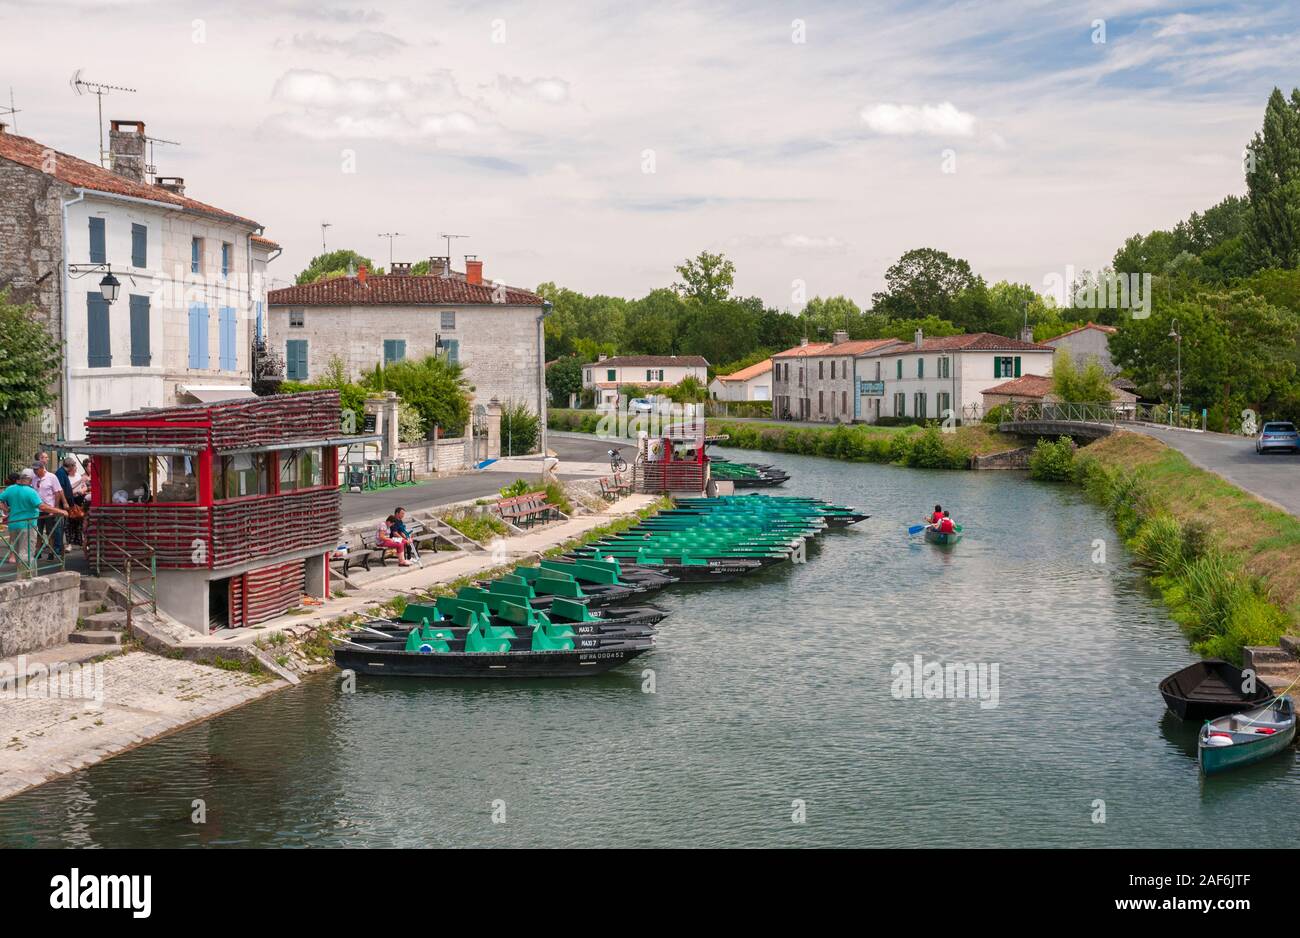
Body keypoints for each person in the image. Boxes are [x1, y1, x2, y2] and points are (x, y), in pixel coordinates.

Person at [1, 470, 46, 576]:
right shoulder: (31, 491)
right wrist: (59, 511)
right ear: (30, 480)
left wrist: (6, 509)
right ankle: (25, 577)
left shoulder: (10, 489)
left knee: (17, 552)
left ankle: (23, 574)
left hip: (13, 524)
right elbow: (41, 506)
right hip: (28, 525)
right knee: (26, 552)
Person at [31, 460, 68, 559]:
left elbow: (57, 492)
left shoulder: (52, 477)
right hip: (37, 509)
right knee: (37, 531)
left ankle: (51, 553)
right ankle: (37, 552)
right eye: (34, 469)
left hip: (49, 508)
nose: (35, 471)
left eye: (36, 469)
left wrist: (55, 508)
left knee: (50, 532)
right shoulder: (34, 478)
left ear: (42, 468)